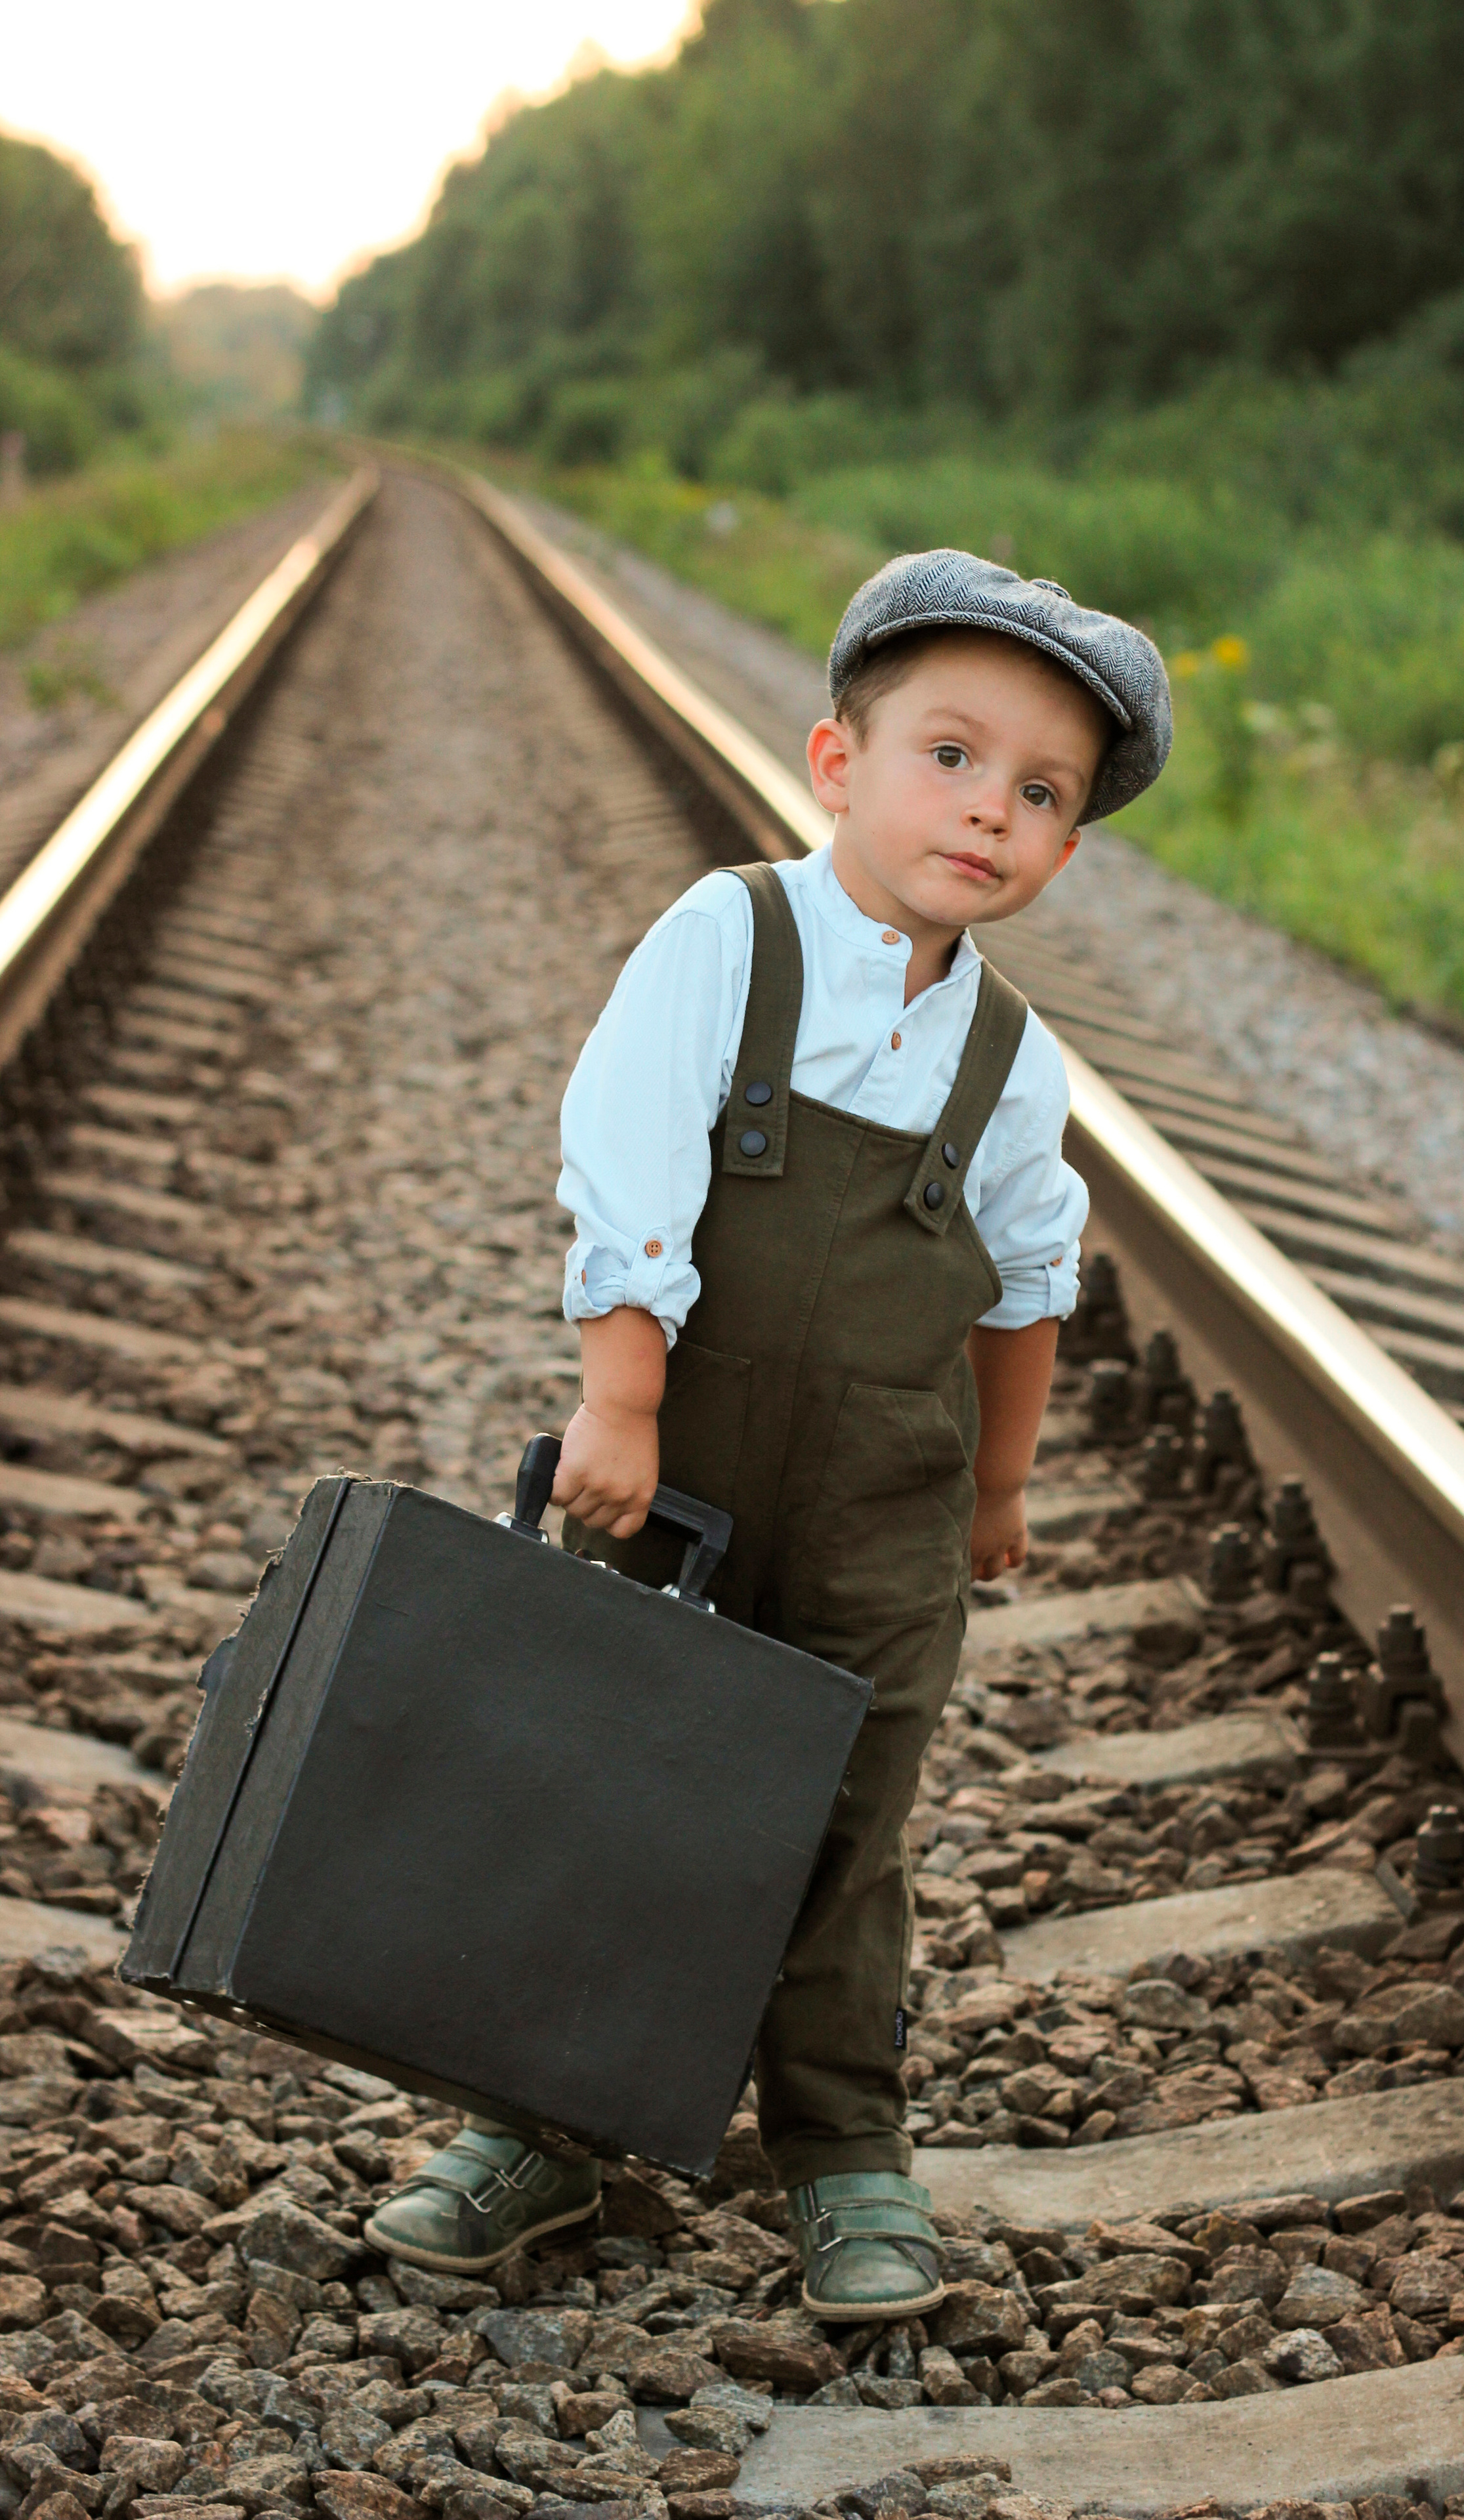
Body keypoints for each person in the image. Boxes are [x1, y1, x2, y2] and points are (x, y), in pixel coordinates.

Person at [365, 549, 1171, 2315]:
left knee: (846, 1820)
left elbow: (1030, 1278)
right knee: (618, 1775)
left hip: (890, 1500)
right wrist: (622, 1398)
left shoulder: (1010, 1057)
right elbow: (627, 1162)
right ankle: (542, 2128)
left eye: (1039, 794)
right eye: (950, 758)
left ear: (1068, 850)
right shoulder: (732, 938)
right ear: (835, 763)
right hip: (685, 1475)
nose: (989, 812)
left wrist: (1003, 1483)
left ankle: (843, 2148)